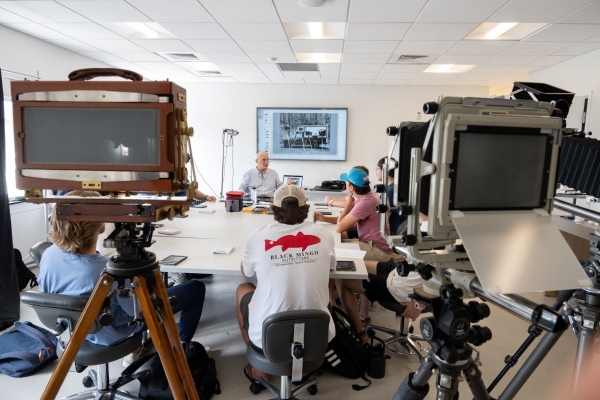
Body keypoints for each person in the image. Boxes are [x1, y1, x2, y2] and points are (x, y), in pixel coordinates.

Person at [38, 190, 206, 363]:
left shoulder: (48, 254)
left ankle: (137, 347)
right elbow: (140, 310)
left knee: (162, 291)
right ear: (98, 224)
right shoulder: (107, 271)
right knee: (195, 288)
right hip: (110, 334)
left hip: (72, 329)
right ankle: (185, 347)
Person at [236, 185, 336, 387]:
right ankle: (304, 369)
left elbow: (245, 271)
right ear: (306, 207)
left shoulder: (257, 236)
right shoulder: (325, 235)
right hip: (317, 335)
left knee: (243, 288)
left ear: (273, 208)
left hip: (267, 335)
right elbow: (332, 268)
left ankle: (259, 369)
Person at [315, 166, 393, 262]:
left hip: (379, 252)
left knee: (335, 251)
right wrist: (324, 219)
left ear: (351, 187)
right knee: (337, 244)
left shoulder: (365, 202)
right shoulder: (368, 197)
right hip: (375, 246)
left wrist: (348, 205)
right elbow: (346, 220)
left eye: (346, 182)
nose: (345, 183)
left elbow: (339, 227)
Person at [335, 259, 425, 341]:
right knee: (347, 265)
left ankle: (359, 333)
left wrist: (419, 305)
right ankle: (363, 317)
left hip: (401, 288)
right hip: (405, 272)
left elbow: (438, 283)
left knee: (341, 278)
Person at [376, 156, 402, 235]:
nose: (376, 172)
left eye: (377, 169)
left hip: (385, 234)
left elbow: (382, 220)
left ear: (384, 169)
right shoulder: (391, 188)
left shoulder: (391, 191)